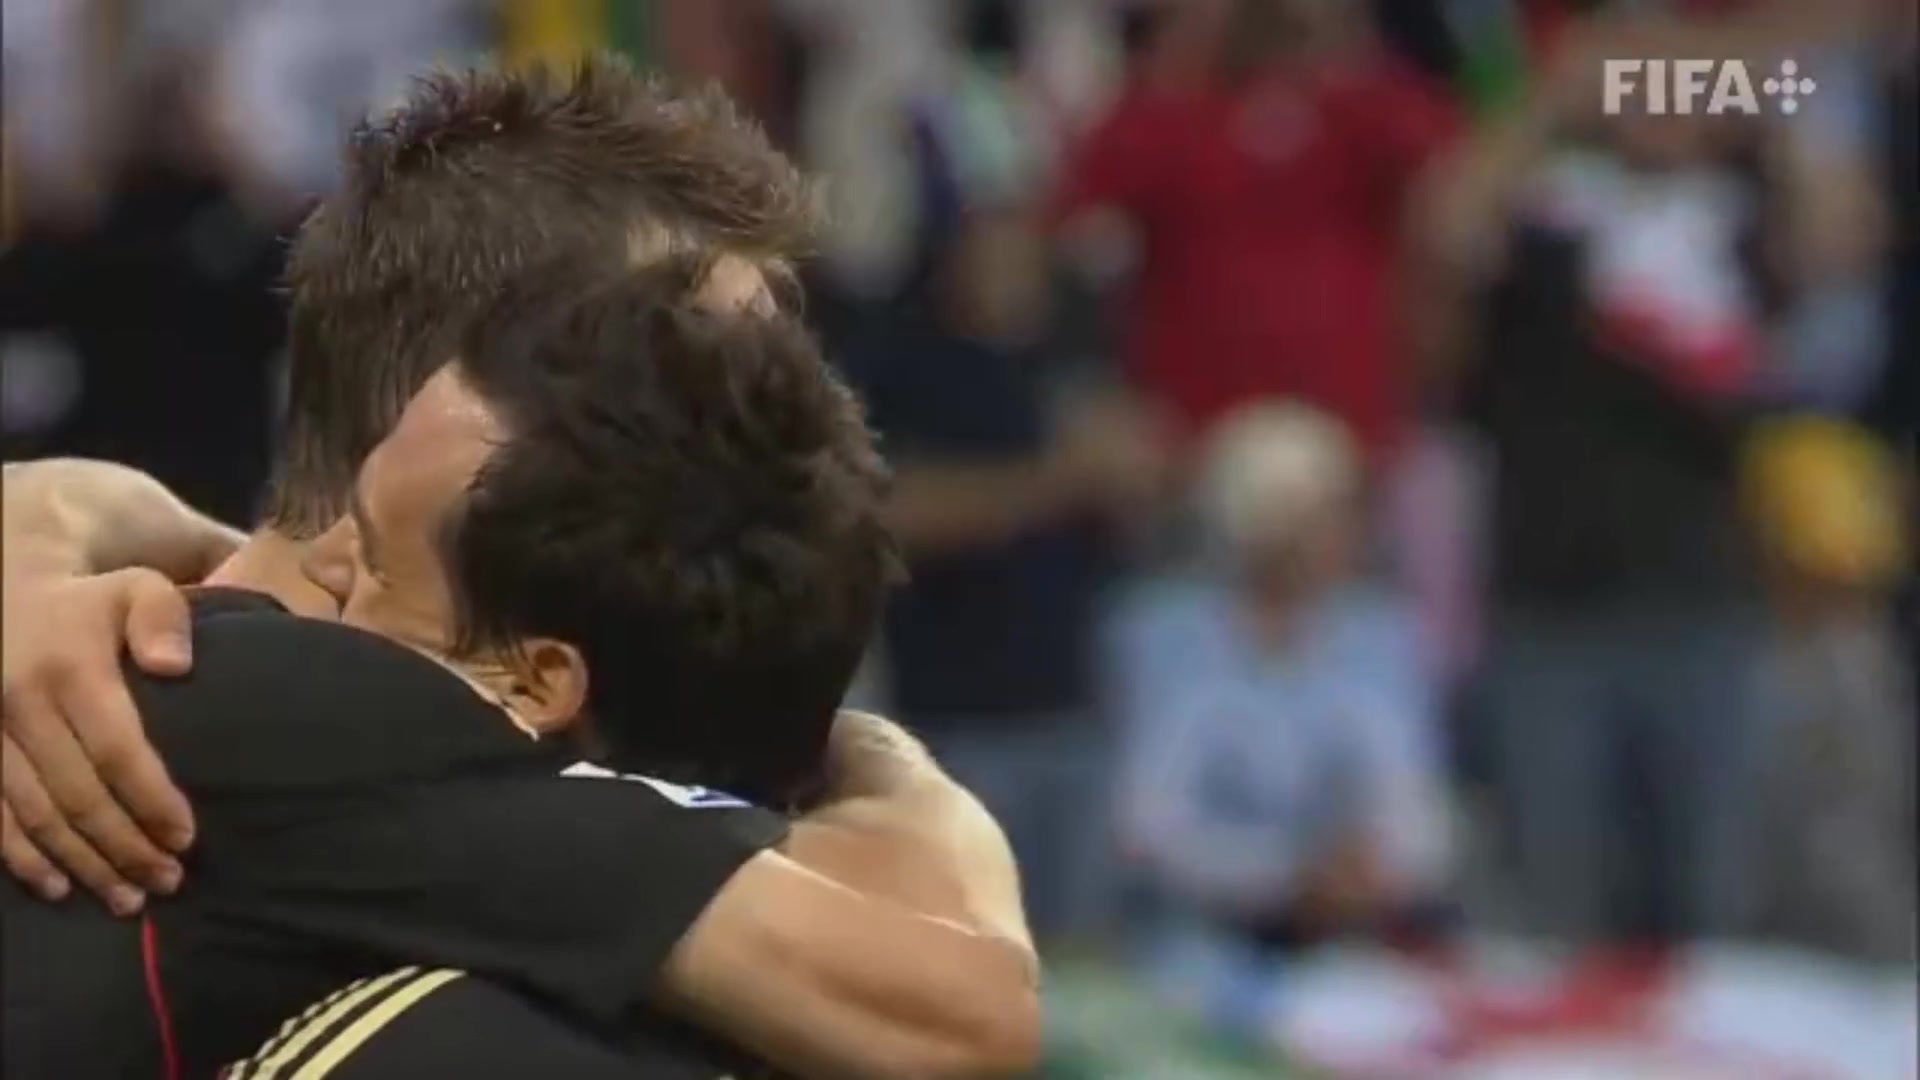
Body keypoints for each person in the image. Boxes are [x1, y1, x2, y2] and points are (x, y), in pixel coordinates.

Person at [3, 59, 1037, 1079]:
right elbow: (961, 1007)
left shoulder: (213, 650)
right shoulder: (327, 718)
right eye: (673, 358)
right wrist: (849, 738)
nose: (757, 407)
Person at [1109, 402, 1452, 973]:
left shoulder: (1384, 636)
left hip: (1355, 934)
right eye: (1325, 514)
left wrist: (1368, 869)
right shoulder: (1166, 633)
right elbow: (1148, 828)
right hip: (1197, 937)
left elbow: (1419, 816)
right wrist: (1287, 875)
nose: (1351, 533)